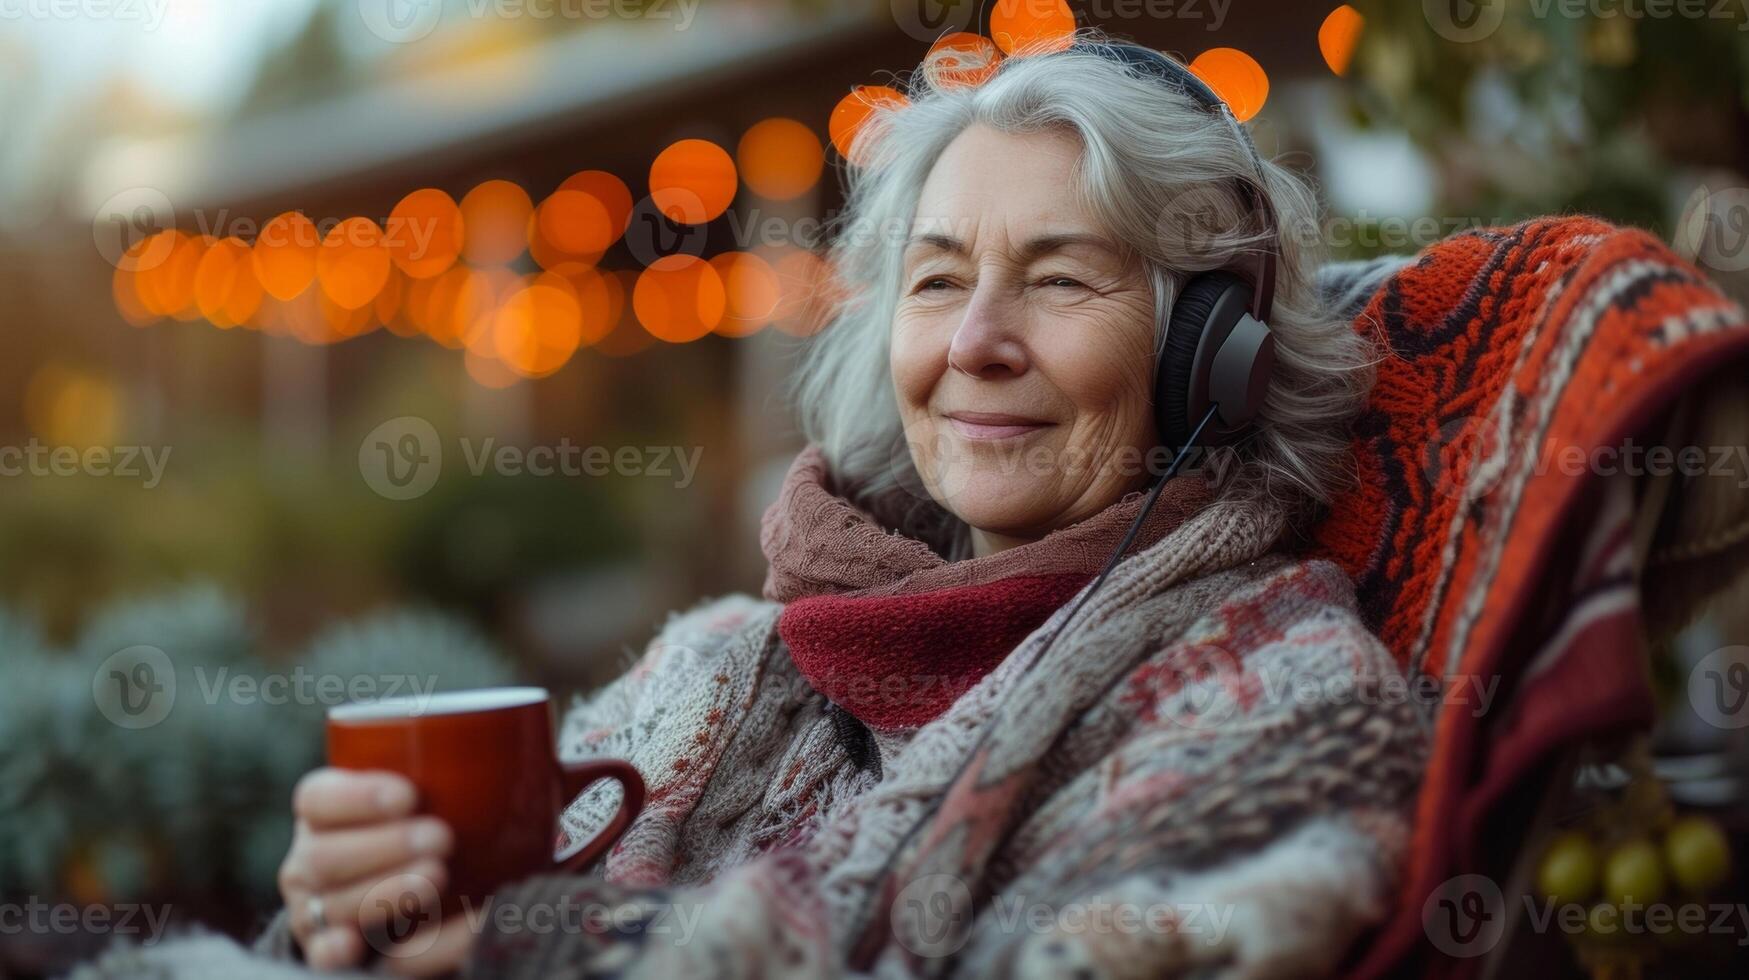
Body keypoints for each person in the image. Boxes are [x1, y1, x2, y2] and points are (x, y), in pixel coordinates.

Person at [126, 34, 1431, 979]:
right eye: (933, 282)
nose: (972, 340)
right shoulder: (718, 665)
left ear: (1208, 352)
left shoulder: (1286, 700)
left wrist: (561, 950)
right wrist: (346, 923)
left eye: (1060, 278)